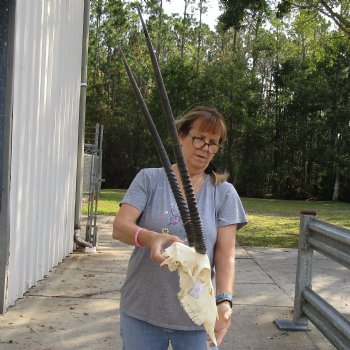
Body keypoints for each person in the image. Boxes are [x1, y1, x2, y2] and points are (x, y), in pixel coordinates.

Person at [113, 106, 247, 350]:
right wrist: (148, 238)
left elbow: (226, 254)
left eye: (213, 143)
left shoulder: (223, 193)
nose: (206, 148)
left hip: (197, 316)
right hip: (143, 310)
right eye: (199, 139)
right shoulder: (149, 179)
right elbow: (120, 227)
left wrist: (224, 300)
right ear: (181, 136)